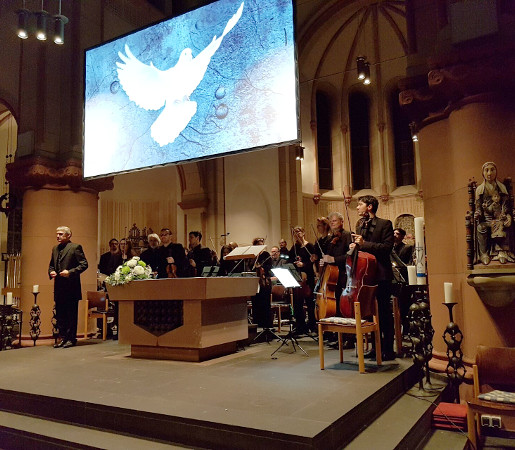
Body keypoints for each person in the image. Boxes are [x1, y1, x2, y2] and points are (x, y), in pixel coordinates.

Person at [351, 195, 396, 361]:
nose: (357, 208)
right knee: (368, 315)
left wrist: (364, 244)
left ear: (369, 207)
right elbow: (361, 249)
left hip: (381, 275)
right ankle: (374, 347)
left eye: (360, 204)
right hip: (365, 276)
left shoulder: (385, 224)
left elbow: (386, 248)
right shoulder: (359, 224)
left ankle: (388, 349)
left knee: (384, 313)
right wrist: (354, 247)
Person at [48, 226, 88, 348]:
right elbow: (51, 265)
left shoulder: (75, 247)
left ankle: (71, 338)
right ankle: (63, 337)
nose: (58, 236)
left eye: (60, 234)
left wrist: (70, 272)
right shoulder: (55, 248)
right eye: (57, 234)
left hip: (71, 287)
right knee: (60, 314)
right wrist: (51, 272)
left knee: (71, 314)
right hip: (59, 286)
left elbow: (84, 264)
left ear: (68, 235)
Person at [474, 161, 514, 264]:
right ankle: (484, 254)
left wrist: (507, 216)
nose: (489, 173)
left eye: (492, 170)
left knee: (503, 225)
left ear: (496, 172)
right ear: (483, 173)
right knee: (481, 228)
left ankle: (501, 252)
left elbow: (506, 206)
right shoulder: (480, 190)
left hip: (499, 218)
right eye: (486, 170)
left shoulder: (501, 188)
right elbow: (478, 207)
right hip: (487, 220)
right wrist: (478, 213)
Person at [289, 226, 316, 334]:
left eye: (299, 232)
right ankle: (301, 326)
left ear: (303, 233)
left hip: (307, 276)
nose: (297, 234)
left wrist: (303, 264)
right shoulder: (294, 247)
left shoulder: (309, 246)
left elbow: (312, 261)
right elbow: (290, 259)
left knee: (310, 303)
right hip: (298, 278)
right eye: (295, 232)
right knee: (297, 303)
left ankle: (312, 325)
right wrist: (294, 264)